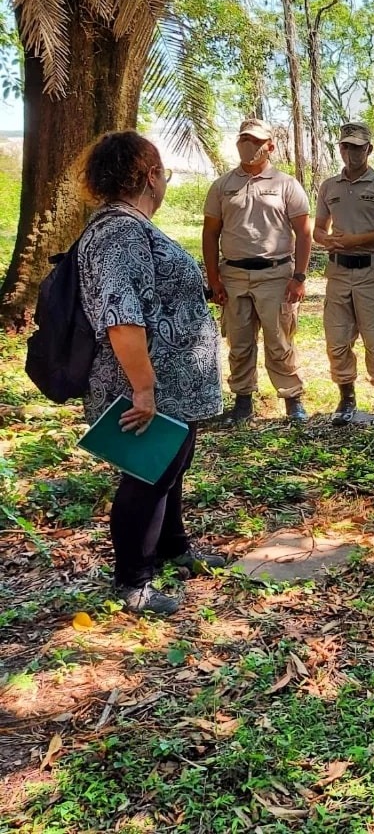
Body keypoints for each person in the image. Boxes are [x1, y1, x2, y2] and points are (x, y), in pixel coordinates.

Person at [78, 132, 224, 615]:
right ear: (150, 177)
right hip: (143, 383)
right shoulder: (118, 230)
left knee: (171, 465)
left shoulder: (130, 226)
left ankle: (172, 547)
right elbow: (121, 314)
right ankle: (133, 581)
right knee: (148, 476)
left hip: (173, 384)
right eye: (162, 172)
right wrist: (143, 387)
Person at [203, 120, 312, 425]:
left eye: (255, 140)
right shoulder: (223, 185)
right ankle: (242, 401)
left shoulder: (285, 184)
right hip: (234, 276)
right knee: (238, 342)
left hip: (276, 275)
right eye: (243, 139)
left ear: (270, 146)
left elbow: (304, 233)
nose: (248, 145)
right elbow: (210, 233)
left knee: (279, 340)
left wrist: (299, 277)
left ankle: (292, 399)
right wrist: (214, 280)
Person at [314, 123, 374, 427]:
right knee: (337, 342)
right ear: (340, 149)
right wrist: (323, 238)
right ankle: (346, 399)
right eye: (346, 146)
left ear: (369, 149)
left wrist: (357, 240)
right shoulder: (329, 186)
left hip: (371, 271)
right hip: (338, 272)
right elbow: (318, 228)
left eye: (357, 147)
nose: (351, 152)